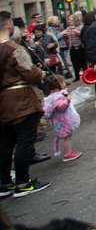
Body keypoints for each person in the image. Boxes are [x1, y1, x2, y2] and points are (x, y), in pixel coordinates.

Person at [0, 12, 50, 198]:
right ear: (9, 27)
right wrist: (40, 73)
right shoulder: (15, 49)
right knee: (24, 139)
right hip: (20, 99)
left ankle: (4, 183)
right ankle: (22, 183)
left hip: (3, 102)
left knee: (6, 142)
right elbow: (31, 74)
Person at [41, 74, 80, 162]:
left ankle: (68, 152)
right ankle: (67, 153)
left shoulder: (54, 95)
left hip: (61, 121)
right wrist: (67, 101)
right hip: (63, 121)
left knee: (67, 137)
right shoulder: (57, 97)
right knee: (67, 137)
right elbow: (60, 107)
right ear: (60, 84)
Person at [62, 15, 85, 79]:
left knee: (82, 62)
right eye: (69, 20)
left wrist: (78, 33)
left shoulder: (80, 27)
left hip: (80, 47)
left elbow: (84, 34)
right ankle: (76, 76)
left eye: (71, 20)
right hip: (72, 48)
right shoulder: (69, 28)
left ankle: (86, 74)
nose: (69, 21)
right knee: (74, 62)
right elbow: (65, 33)